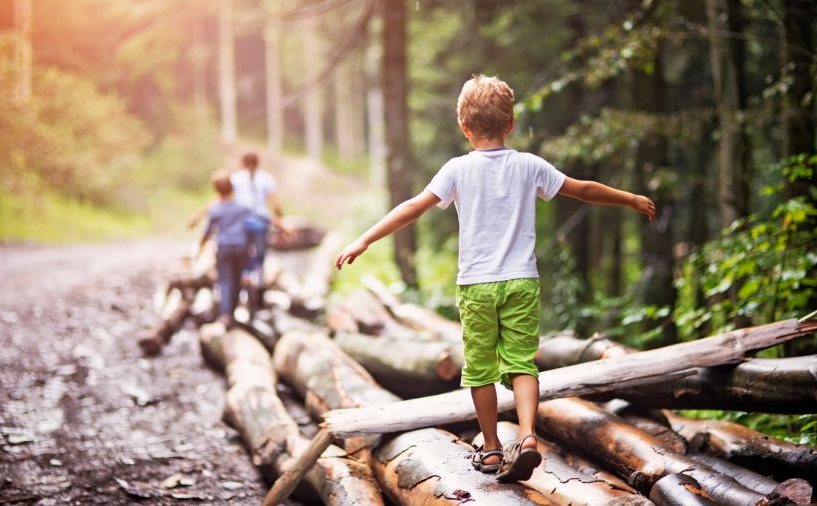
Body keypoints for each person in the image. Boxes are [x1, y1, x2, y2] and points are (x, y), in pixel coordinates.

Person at [334, 74, 656, 482]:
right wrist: (628, 198)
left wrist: (364, 239)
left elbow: (413, 207)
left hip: (476, 286)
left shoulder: (456, 170)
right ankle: (526, 436)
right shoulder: (528, 165)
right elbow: (583, 189)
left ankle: (489, 448)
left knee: (481, 369)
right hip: (521, 281)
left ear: (463, 127)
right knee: (522, 364)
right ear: (510, 124)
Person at [198, 170, 251, 328]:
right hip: (241, 247)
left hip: (224, 248)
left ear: (216, 190)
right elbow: (255, 223)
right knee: (237, 280)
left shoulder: (215, 209)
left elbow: (207, 232)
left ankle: (226, 315)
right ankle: (232, 314)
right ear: (232, 188)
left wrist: (199, 249)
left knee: (225, 281)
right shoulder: (241, 207)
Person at [230, 152, 286, 288]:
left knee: (244, 250)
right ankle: (258, 274)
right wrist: (279, 220)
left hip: (241, 222)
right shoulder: (266, 178)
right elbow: (274, 203)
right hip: (260, 221)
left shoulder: (235, 178)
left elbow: (229, 200)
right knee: (260, 251)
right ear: (258, 163)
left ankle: (245, 275)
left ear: (242, 163)